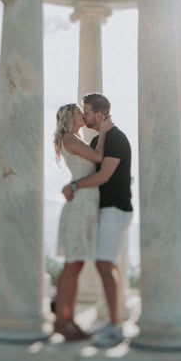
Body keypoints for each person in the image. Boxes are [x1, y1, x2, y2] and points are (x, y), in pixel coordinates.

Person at [62, 93, 132, 348]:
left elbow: (103, 176)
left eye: (87, 112)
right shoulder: (100, 140)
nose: (85, 115)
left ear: (99, 115)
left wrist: (74, 186)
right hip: (103, 209)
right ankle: (114, 321)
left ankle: (115, 326)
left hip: (116, 208)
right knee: (107, 266)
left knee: (104, 265)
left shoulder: (116, 138)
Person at [51, 102, 111, 341]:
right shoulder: (70, 138)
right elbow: (97, 157)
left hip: (86, 203)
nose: (82, 115)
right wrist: (104, 131)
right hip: (80, 205)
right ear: (69, 117)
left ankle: (66, 320)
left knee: (75, 265)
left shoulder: (74, 139)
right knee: (72, 266)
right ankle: (63, 321)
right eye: (78, 112)